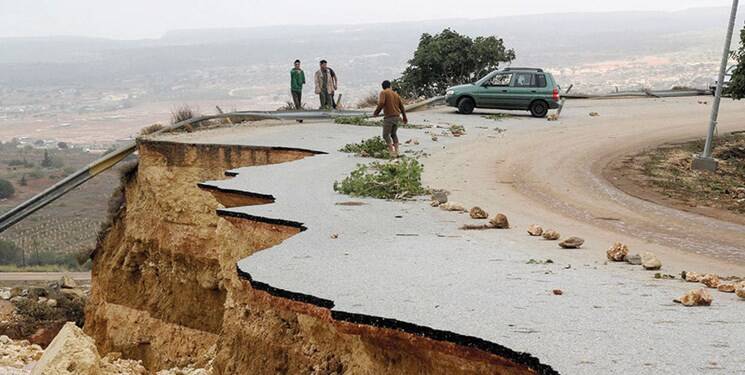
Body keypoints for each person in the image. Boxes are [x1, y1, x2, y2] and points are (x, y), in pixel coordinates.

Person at [373, 80, 407, 158]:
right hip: (397, 117)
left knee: (385, 135)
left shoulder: (383, 92)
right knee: (393, 134)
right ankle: (397, 151)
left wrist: (376, 112)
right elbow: (402, 107)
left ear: (383, 87)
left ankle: (391, 151)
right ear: (390, 86)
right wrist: (404, 117)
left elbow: (381, 103)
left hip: (389, 117)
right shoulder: (395, 94)